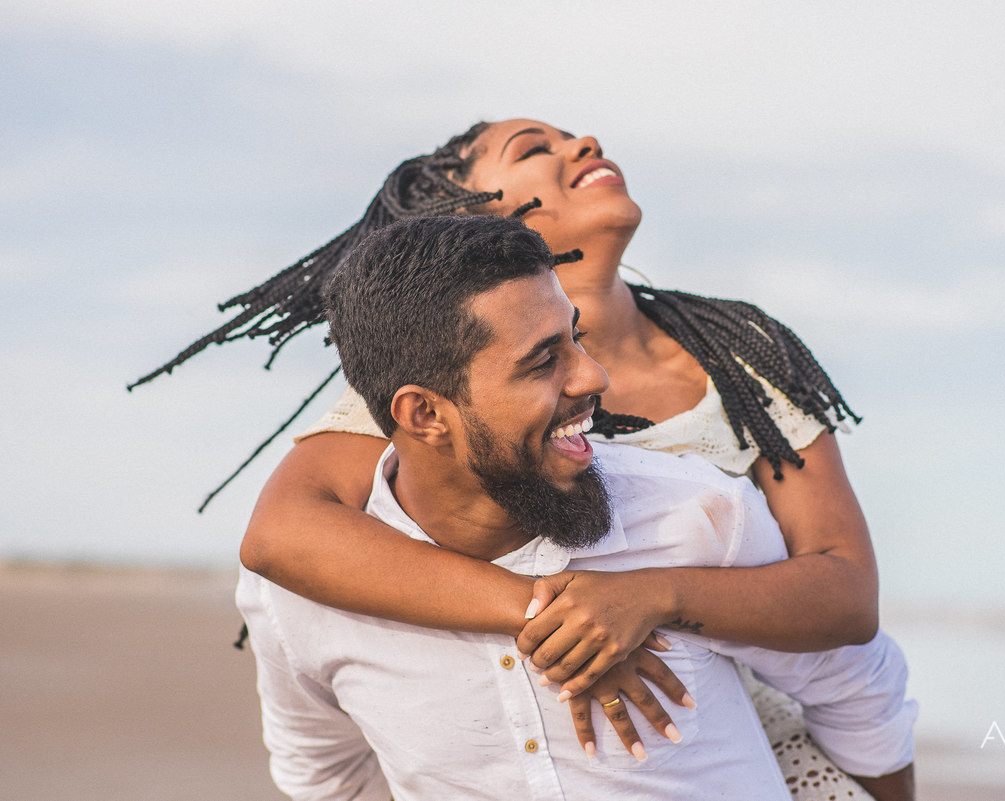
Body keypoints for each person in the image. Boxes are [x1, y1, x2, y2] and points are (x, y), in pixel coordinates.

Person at [133, 118, 896, 798]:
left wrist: (647, 595)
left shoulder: (733, 361)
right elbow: (286, 537)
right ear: (468, 220)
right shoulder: (438, 379)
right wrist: (548, 614)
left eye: (571, 136)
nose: (583, 143)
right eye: (535, 148)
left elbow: (845, 597)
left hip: (764, 722)